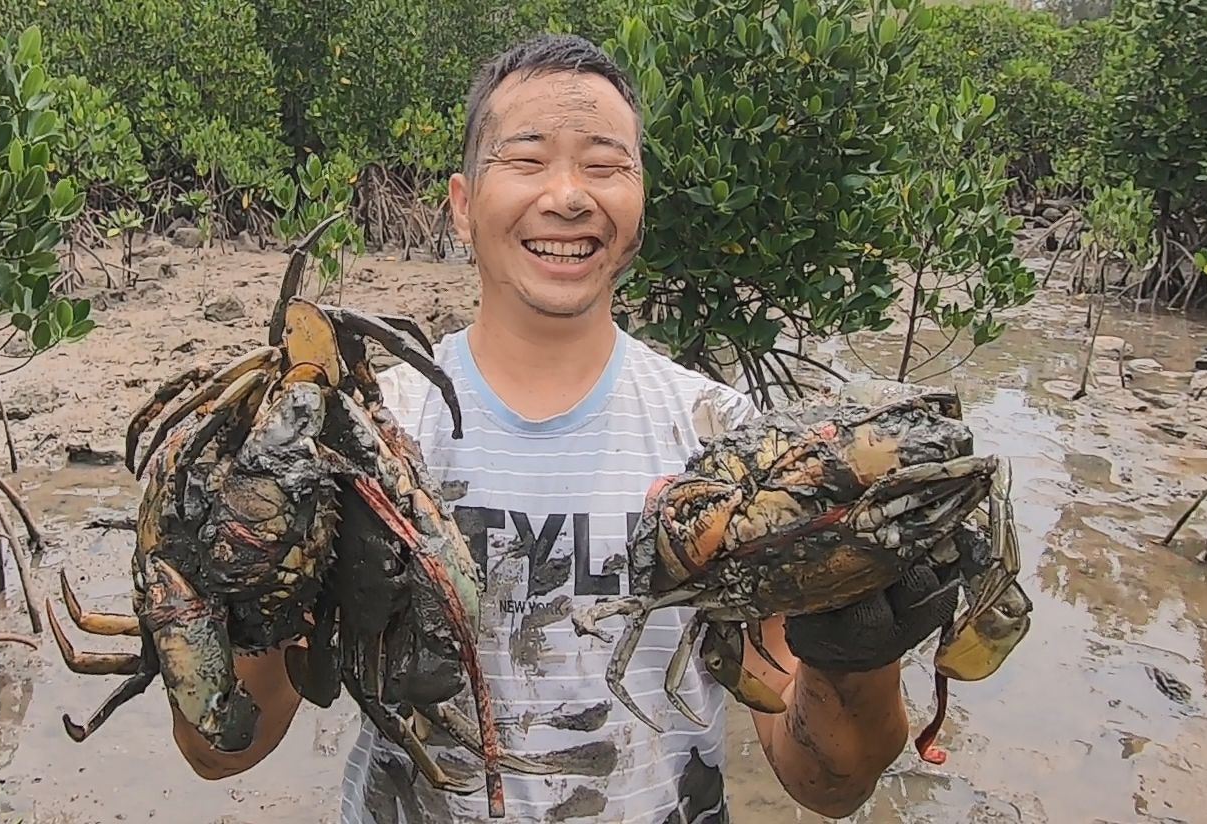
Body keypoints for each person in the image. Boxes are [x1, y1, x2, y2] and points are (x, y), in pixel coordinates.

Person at [170, 33, 959, 823]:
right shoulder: (363, 436)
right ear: (461, 202)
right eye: (527, 159)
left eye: (606, 165)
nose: (569, 195)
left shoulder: (728, 443)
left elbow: (830, 784)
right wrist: (213, 586)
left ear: (641, 199)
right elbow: (220, 748)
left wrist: (857, 656)